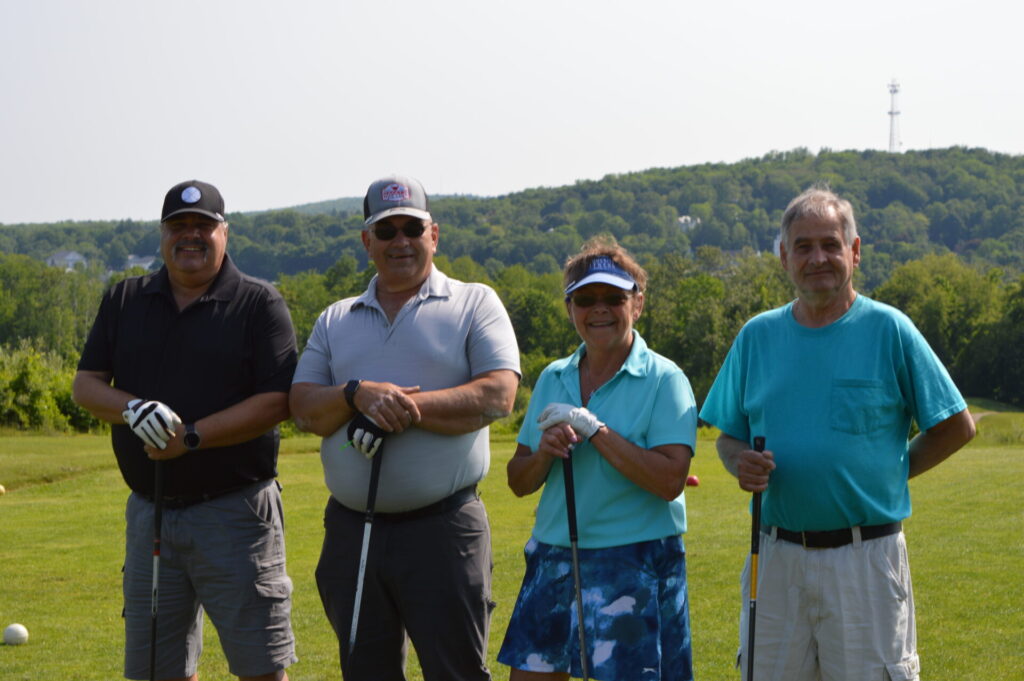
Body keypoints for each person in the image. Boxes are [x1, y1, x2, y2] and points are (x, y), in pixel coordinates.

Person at [699, 185, 976, 681]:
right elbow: (727, 436)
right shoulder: (756, 336)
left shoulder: (890, 329)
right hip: (776, 556)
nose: (817, 257)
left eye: (830, 243)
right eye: (803, 246)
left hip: (865, 560)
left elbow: (956, 425)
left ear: (855, 251)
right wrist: (739, 460)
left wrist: (894, 472)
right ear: (784, 257)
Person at [289, 174, 521, 681]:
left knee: (456, 672)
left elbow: (498, 395)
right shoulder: (335, 318)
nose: (400, 242)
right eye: (386, 230)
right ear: (366, 241)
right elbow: (304, 408)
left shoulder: (474, 302)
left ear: (433, 235)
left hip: (443, 530)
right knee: (365, 673)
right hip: (352, 531)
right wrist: (356, 394)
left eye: (411, 229)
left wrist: (399, 407)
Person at [72, 180, 298, 681]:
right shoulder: (126, 298)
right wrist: (132, 408)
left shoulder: (259, 303)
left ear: (225, 233)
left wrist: (190, 436)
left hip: (237, 514)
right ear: (162, 234)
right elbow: (86, 386)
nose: (190, 236)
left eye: (203, 225)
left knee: (261, 667)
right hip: (150, 514)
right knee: (157, 669)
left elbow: (277, 401)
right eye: (179, 225)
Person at [498, 237, 698, 681]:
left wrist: (596, 430)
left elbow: (670, 480)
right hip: (553, 557)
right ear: (570, 308)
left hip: (635, 561)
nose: (599, 309)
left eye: (614, 298)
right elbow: (518, 479)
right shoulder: (554, 376)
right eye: (585, 299)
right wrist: (546, 454)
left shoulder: (665, 379)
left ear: (638, 303)